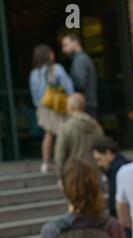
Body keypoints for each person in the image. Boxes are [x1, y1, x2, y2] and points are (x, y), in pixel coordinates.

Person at [29, 44, 74, 173]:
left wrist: (40, 106)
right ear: (48, 55)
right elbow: (68, 87)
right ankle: (63, 161)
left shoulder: (33, 74)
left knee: (48, 134)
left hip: (42, 108)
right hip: (57, 106)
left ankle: (46, 162)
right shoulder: (57, 68)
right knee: (62, 133)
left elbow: (34, 95)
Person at [91, 136, 131, 238]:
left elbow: (117, 201)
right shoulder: (120, 167)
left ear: (108, 153)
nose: (99, 164)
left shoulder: (118, 170)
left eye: (99, 159)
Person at [54, 93, 103, 174]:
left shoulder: (66, 128)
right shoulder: (96, 125)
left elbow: (60, 156)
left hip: (74, 175)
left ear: (70, 107)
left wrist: (61, 176)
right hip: (94, 174)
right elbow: (102, 149)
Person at [61, 33, 98, 118]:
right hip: (87, 104)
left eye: (65, 45)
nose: (64, 49)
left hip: (84, 105)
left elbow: (80, 83)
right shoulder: (81, 58)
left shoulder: (80, 60)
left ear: (75, 43)